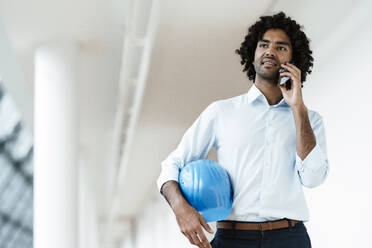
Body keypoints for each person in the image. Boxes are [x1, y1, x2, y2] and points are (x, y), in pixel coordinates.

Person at [157, 11, 329, 248]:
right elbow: (171, 165)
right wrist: (180, 208)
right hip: (233, 239)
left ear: (293, 60)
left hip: (289, 238)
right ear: (253, 54)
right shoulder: (221, 112)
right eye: (264, 45)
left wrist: (298, 108)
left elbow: (313, 178)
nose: (270, 51)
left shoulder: (310, 120)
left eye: (281, 47)